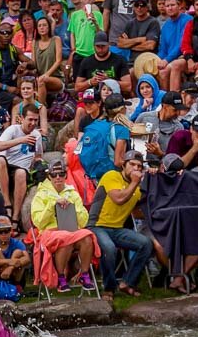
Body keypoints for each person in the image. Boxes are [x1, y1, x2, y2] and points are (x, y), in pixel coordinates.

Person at [30, 159, 100, 292]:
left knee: (87, 236)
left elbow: (84, 221)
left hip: (71, 229)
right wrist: (52, 206)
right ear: (49, 176)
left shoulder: (72, 193)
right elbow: (39, 223)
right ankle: (61, 278)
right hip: (49, 233)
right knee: (66, 239)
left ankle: (84, 274)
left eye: (61, 174)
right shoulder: (40, 195)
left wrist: (72, 208)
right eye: (54, 174)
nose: (58, 177)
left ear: (65, 175)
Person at [91, 151, 151, 298]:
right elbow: (118, 199)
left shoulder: (136, 189)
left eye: (139, 166)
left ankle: (127, 282)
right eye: (132, 164)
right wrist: (135, 183)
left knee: (146, 243)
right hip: (96, 226)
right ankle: (109, 288)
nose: (135, 169)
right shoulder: (112, 176)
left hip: (117, 229)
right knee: (109, 248)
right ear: (123, 165)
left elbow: (137, 212)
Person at [79, 94, 131, 182]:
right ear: (122, 109)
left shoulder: (96, 124)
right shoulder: (122, 129)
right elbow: (118, 161)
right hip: (112, 175)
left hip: (95, 176)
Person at [0, 216, 31, 284]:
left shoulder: (17, 243)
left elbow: (27, 259)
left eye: (6, 230)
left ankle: (16, 284)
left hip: (15, 276)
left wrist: (10, 268)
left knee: (18, 252)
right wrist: (9, 261)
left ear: (11, 230)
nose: (3, 234)